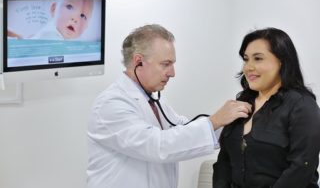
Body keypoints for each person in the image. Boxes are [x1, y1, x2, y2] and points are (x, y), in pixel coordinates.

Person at [87, 24, 252, 188]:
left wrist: (232, 125)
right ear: (139, 62)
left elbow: (181, 128)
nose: (172, 73)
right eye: (165, 64)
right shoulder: (111, 104)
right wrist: (215, 121)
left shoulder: (152, 100)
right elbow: (158, 145)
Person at [212, 27, 320, 188]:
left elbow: (301, 168)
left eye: (258, 59)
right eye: (246, 59)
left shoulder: (302, 105)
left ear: (282, 61)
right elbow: (224, 163)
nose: (248, 67)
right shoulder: (241, 103)